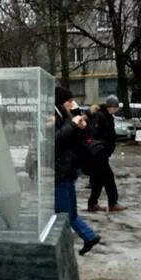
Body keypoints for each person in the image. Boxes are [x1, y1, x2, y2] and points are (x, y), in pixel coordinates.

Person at [54, 85, 100, 256]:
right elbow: (55, 139)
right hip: (61, 171)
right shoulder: (55, 117)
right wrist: (73, 124)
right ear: (61, 102)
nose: (72, 104)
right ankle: (89, 236)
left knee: (65, 214)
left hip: (65, 171)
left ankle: (81, 240)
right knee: (66, 213)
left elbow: (82, 137)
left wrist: (78, 121)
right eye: (69, 101)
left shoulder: (66, 116)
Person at [86, 95, 126, 213]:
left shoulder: (105, 116)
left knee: (98, 180)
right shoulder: (102, 117)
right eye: (116, 107)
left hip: (101, 154)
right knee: (108, 178)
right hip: (99, 154)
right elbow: (101, 135)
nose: (117, 109)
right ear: (111, 107)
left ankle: (92, 203)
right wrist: (103, 148)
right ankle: (112, 203)